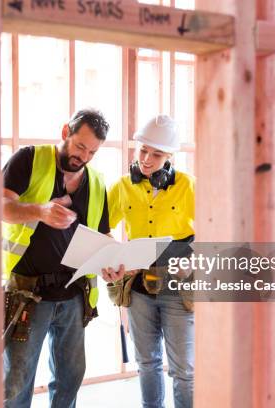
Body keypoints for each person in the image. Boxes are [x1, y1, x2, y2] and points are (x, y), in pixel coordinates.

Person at [1, 108, 111, 408]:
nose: (83, 157)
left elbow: (102, 235)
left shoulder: (97, 181)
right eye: (79, 146)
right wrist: (39, 210)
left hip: (74, 294)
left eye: (92, 152)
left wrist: (110, 263)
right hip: (28, 292)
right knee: (17, 380)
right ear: (66, 132)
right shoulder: (29, 159)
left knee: (71, 377)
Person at [102, 115, 195, 408]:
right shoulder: (121, 187)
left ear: (169, 157)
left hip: (179, 288)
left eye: (156, 154)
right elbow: (100, 228)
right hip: (140, 287)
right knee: (146, 363)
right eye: (142, 150)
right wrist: (112, 257)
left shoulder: (188, 186)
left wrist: (195, 262)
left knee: (184, 371)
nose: (146, 159)